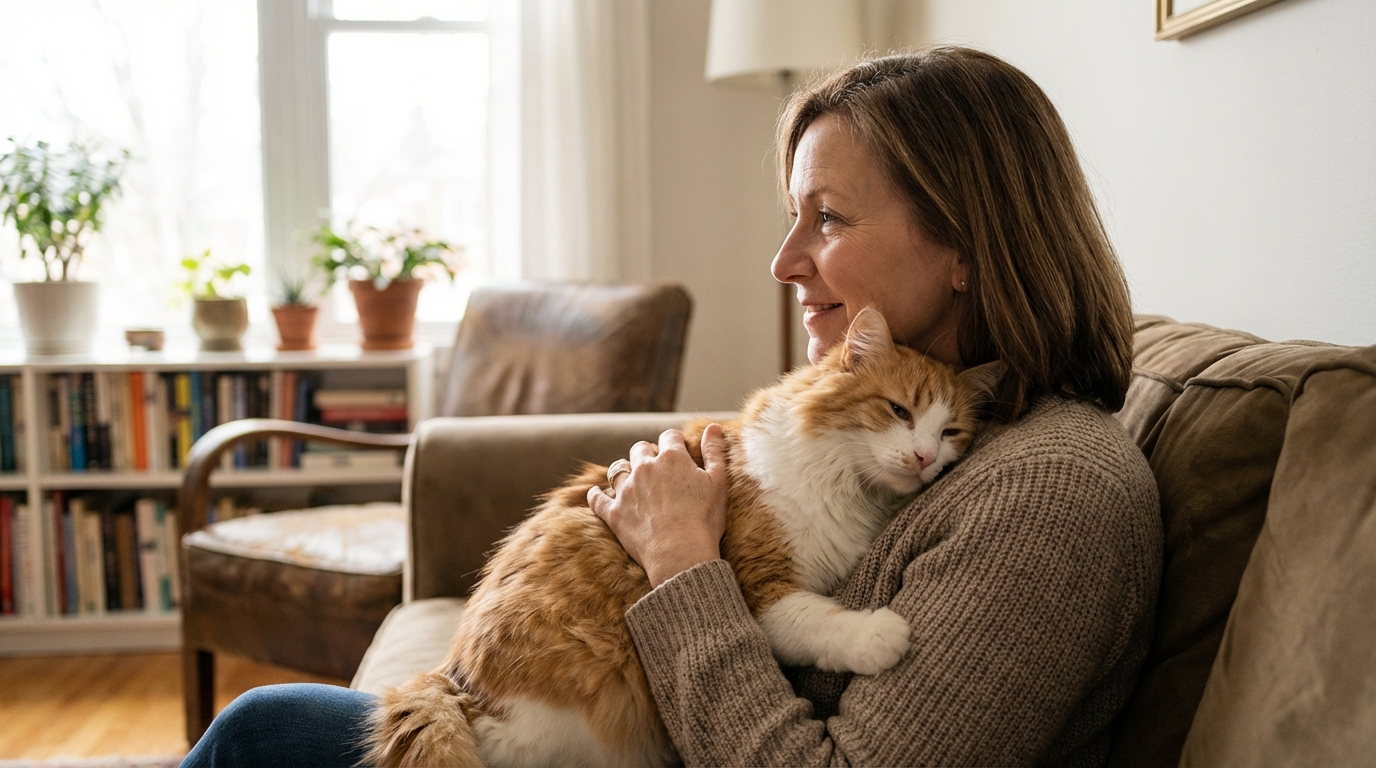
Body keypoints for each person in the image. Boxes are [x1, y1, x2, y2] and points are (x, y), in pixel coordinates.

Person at [183, 46, 1161, 767]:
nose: (782, 263)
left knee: (257, 740)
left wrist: (680, 561)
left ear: (964, 245)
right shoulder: (970, 434)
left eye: (826, 217)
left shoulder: (1047, 495)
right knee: (257, 728)